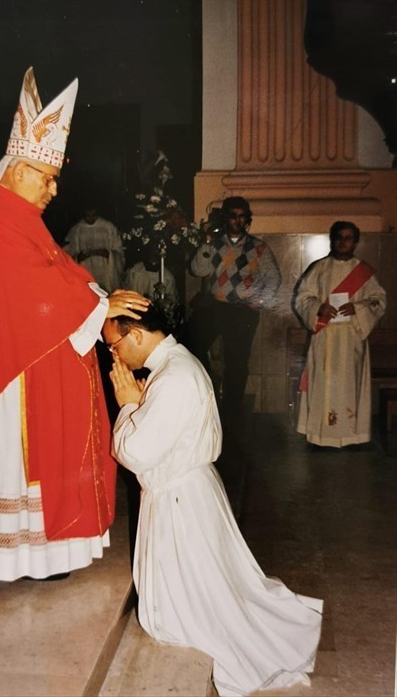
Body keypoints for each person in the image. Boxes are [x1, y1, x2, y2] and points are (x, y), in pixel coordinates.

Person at [0, 67, 149, 582]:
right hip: (12, 377)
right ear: (15, 169)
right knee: (24, 456)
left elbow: (61, 272)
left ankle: (52, 551)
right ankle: (25, 555)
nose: (53, 188)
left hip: (38, 360)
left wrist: (99, 295)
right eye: (44, 175)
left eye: (55, 177)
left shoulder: (21, 219)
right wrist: (97, 305)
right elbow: (31, 292)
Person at [104, 305, 323, 697]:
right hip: (187, 492)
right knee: (208, 592)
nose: (114, 355)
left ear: (136, 334)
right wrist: (139, 404)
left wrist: (126, 405)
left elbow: (136, 453)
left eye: (113, 344)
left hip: (180, 500)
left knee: (191, 611)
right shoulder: (175, 365)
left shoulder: (174, 378)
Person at [184, 196, 281, 433]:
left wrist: (259, 302)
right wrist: (207, 242)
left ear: (248, 219)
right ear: (225, 218)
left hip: (242, 312)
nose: (237, 220)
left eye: (241, 216)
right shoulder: (214, 244)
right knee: (189, 344)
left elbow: (274, 279)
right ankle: (208, 392)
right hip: (215, 308)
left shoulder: (258, 248)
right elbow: (197, 269)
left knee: (237, 363)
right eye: (232, 215)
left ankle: (231, 412)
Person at [294, 221, 386, 448]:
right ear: (332, 239)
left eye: (348, 238)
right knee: (322, 385)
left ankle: (351, 436)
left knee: (349, 386)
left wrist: (359, 308)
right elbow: (302, 298)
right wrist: (318, 308)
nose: (343, 242)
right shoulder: (319, 269)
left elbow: (379, 301)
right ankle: (320, 437)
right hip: (325, 337)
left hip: (351, 339)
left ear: (355, 242)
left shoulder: (363, 271)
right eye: (339, 237)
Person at [64, 202, 124, 292]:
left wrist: (109, 254)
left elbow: (119, 251)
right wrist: (77, 258)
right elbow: (67, 254)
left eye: (93, 216)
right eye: (88, 216)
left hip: (105, 271)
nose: (91, 219)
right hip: (86, 270)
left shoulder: (108, 227)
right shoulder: (76, 230)